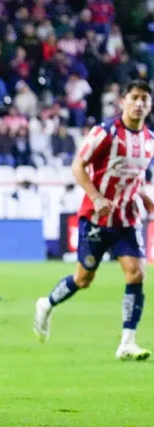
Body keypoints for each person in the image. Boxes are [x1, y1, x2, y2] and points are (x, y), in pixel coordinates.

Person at [34, 80, 154, 361]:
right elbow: (78, 165)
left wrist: (145, 198)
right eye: (134, 97)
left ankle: (127, 341)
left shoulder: (149, 140)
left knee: (136, 272)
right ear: (123, 101)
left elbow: (133, 177)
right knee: (84, 278)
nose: (139, 104)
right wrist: (97, 197)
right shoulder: (106, 132)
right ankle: (46, 303)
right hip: (97, 217)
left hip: (127, 218)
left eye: (144, 99)